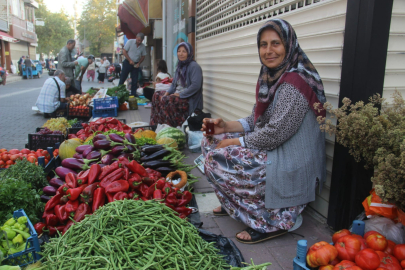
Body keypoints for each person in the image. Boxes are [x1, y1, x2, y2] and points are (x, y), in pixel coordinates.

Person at [201, 19, 327, 244]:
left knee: (215, 159)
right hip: (275, 150)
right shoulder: (271, 76)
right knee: (210, 141)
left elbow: (274, 133)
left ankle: (273, 221)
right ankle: (236, 206)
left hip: (291, 163)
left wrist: (234, 143)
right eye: (263, 44)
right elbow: (257, 120)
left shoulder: (294, 82)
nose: (269, 51)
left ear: (289, 46)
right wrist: (225, 127)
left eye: (276, 43)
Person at [149, 42, 203, 127]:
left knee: (168, 100)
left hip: (188, 99)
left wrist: (180, 94)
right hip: (178, 95)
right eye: (179, 51)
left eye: (184, 51)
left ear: (189, 53)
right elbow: (174, 84)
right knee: (156, 96)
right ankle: (156, 125)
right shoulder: (179, 66)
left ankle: (170, 127)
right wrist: (167, 93)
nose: (181, 54)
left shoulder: (194, 66)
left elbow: (196, 86)